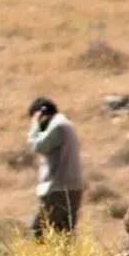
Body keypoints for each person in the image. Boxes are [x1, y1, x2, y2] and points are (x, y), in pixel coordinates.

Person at [26, 97, 85, 239]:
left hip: (57, 189)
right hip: (73, 188)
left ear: (42, 113)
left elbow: (37, 145)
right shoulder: (67, 125)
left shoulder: (58, 126)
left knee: (38, 231)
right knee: (65, 233)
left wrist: (34, 124)